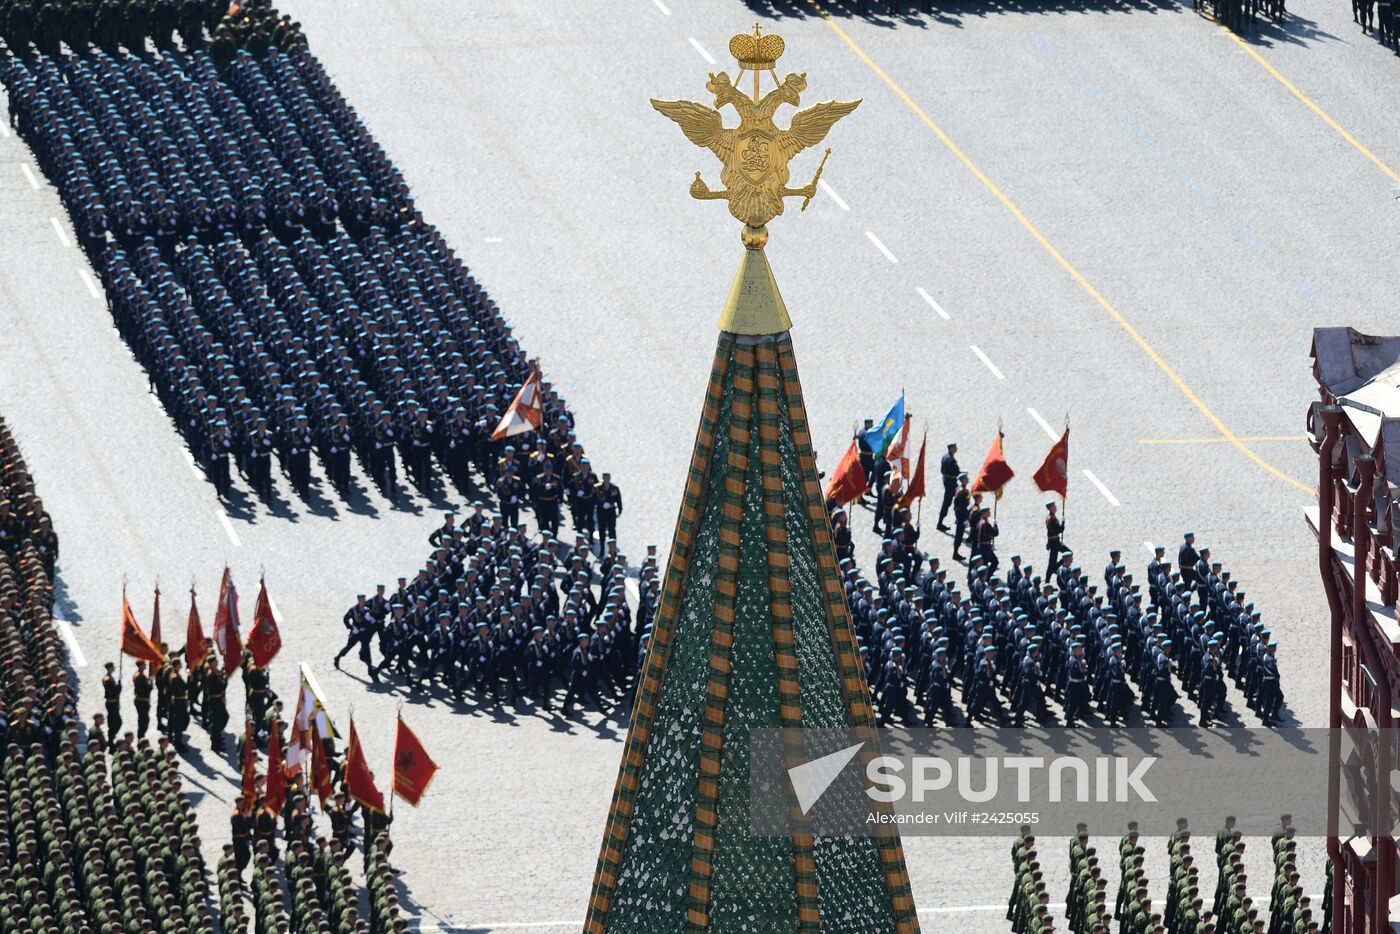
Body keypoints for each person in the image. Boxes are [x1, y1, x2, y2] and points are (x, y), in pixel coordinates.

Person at [937, 442, 959, 530]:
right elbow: (955, 472)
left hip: (948, 481)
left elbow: (942, 470)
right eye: (955, 447)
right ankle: (940, 523)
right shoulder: (950, 460)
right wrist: (962, 474)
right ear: (951, 448)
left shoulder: (945, 457)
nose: (956, 448)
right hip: (951, 483)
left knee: (957, 500)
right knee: (948, 503)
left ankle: (958, 518)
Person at [597, 472, 623, 543]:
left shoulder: (614, 488)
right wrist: (602, 504)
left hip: (611, 511)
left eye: (608, 477)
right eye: (605, 477)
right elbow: (595, 499)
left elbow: (618, 499)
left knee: (612, 528)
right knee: (601, 529)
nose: (606, 479)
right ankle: (602, 544)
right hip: (601, 511)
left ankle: (613, 545)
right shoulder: (598, 488)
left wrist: (620, 509)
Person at [951, 472, 971, 561]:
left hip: (960, 515)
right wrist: (965, 518)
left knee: (959, 534)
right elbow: (962, 506)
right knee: (959, 535)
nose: (968, 479)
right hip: (962, 516)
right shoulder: (963, 492)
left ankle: (956, 552)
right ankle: (955, 553)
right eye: (966, 478)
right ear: (963, 480)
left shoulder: (959, 489)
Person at [102, 661, 123, 744]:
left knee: (115, 721)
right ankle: (111, 738)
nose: (114, 668)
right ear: (110, 668)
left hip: (114, 702)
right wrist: (119, 684)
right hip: (111, 703)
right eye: (113, 666)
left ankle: (112, 737)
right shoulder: (108, 680)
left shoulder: (109, 677)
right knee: (115, 722)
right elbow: (115, 691)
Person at [132, 660, 152, 738]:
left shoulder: (138, 675)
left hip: (140, 700)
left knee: (143, 719)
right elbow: (145, 689)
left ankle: (141, 736)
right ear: (140, 666)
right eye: (144, 665)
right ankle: (141, 737)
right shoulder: (140, 676)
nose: (145, 666)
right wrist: (150, 685)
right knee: (144, 720)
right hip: (142, 701)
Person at [1045, 501, 1065, 570]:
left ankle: (1055, 568)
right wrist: (1062, 523)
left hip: (1055, 541)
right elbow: (1056, 530)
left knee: (1052, 563)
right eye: (1054, 505)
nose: (1056, 507)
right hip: (1054, 543)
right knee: (1051, 564)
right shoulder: (1051, 519)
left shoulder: (1052, 517)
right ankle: (1055, 568)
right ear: (1050, 508)